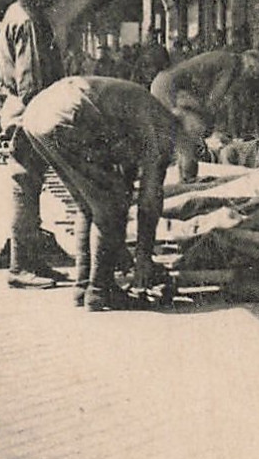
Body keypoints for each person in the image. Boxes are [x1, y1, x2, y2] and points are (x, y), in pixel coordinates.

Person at [13, 76, 178, 311]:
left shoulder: (144, 112)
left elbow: (126, 179)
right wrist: (143, 257)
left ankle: (84, 285)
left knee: (89, 205)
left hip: (38, 115)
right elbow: (149, 200)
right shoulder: (163, 128)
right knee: (109, 207)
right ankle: (101, 290)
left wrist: (119, 246)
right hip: (67, 114)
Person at [0, 0, 67, 287]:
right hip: (30, 114)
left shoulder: (16, 13)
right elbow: (31, 80)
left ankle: (32, 261)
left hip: (21, 112)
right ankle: (21, 266)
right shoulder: (27, 20)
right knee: (26, 186)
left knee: (30, 188)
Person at [150, 48, 259, 181]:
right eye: (252, 68)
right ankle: (188, 178)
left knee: (179, 136)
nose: (251, 72)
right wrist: (212, 124)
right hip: (171, 88)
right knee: (191, 133)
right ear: (246, 59)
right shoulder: (233, 64)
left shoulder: (224, 57)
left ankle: (182, 176)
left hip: (162, 83)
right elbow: (215, 96)